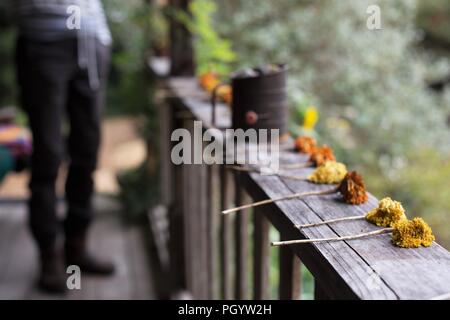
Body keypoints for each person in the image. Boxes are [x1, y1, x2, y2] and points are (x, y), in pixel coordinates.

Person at [8, 0, 115, 293]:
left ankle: (76, 247)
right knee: (48, 154)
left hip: (91, 40)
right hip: (42, 41)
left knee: (87, 152)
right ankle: (48, 255)